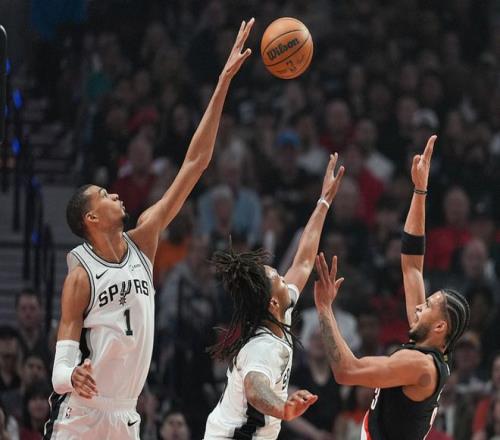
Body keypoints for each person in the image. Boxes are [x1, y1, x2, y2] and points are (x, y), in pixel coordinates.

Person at [43, 18, 255, 440]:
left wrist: (222, 83)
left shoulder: (144, 239)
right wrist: (72, 376)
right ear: (91, 219)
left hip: (126, 414)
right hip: (81, 414)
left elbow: (195, 163)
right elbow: (61, 363)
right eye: (104, 194)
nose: (114, 194)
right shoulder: (81, 275)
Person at [314, 135, 471, 440]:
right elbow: (412, 264)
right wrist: (420, 190)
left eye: (428, 305)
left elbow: (347, 371)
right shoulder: (430, 350)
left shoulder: (419, 365)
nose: (420, 306)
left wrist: (324, 309)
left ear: (440, 326)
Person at [203, 153, 345, 439]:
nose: (284, 278)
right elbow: (255, 389)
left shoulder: (280, 312)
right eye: (278, 278)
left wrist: (323, 202)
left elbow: (303, 262)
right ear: (272, 302)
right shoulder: (263, 346)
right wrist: (284, 408)